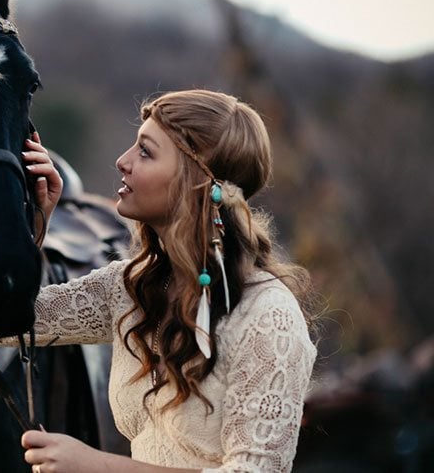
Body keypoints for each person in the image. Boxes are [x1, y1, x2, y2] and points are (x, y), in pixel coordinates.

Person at [16, 89, 317, 472]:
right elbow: (3, 323)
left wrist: (98, 467)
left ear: (196, 180)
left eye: (146, 152)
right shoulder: (127, 288)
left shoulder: (267, 314)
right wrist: (34, 226)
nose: (122, 162)